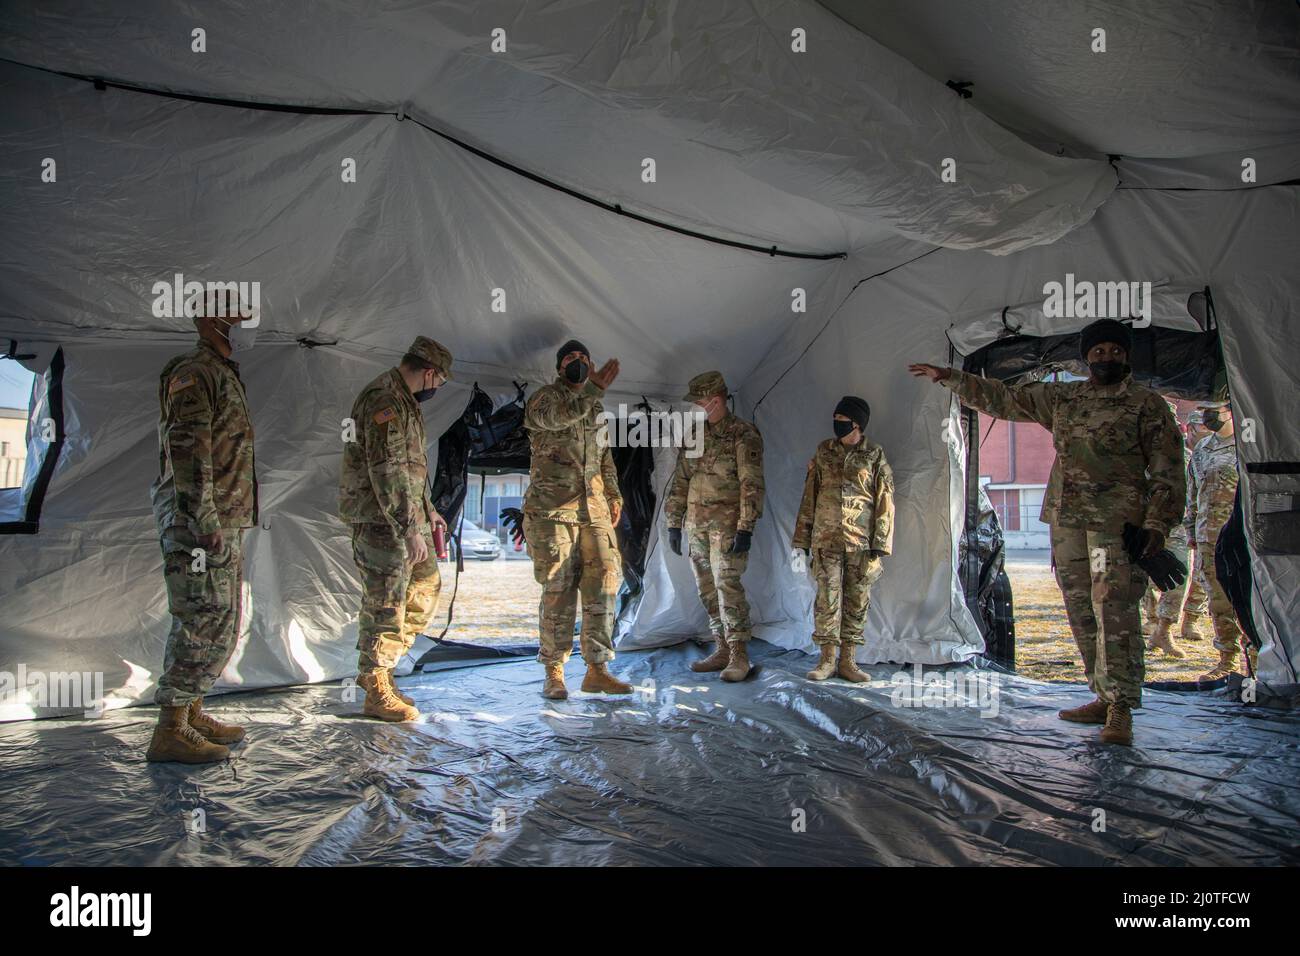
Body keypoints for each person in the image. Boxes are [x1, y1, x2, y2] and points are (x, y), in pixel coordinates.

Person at [909, 318, 1185, 746]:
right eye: (1098, 351)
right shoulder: (1066, 397)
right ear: (1086, 357)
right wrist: (952, 378)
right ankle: (1101, 694)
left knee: (1115, 610)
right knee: (1081, 610)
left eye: (1114, 350)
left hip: (1117, 525)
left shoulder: (1147, 405)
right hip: (1069, 521)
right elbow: (1006, 399)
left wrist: (1157, 523)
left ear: (1126, 355)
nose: (1106, 357)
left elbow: (1168, 470)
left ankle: (1121, 707)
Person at [147, 290, 259, 763]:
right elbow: (188, 447)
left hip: (221, 519)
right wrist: (202, 517)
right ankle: (170, 727)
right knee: (199, 620)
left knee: (219, 619)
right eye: (234, 319)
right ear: (213, 322)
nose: (240, 328)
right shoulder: (194, 372)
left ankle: (190, 710)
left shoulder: (221, 374)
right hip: (200, 523)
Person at [339, 336, 452, 721]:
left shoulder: (403, 401)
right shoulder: (385, 399)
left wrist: (429, 512)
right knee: (385, 603)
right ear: (431, 372)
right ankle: (376, 685)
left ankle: (378, 670)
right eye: (440, 381)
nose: (437, 389)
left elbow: (409, 471)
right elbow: (386, 470)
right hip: (382, 522)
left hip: (405, 518)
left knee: (425, 588)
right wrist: (408, 527)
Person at [522, 339, 631, 699]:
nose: (578, 362)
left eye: (584, 357)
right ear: (558, 368)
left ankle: (597, 669)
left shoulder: (597, 410)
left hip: (594, 511)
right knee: (558, 590)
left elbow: (605, 458)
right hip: (553, 512)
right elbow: (559, 417)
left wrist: (613, 494)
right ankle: (554, 672)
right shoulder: (544, 399)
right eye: (570, 358)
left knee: (604, 584)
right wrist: (595, 389)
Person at [664, 371, 765, 681]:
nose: (695, 406)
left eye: (699, 401)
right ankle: (721, 648)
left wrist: (746, 526)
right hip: (697, 527)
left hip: (727, 527)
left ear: (716, 400)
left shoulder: (743, 434)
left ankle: (739, 655)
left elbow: (752, 483)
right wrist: (673, 522)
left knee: (727, 588)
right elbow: (681, 480)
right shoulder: (694, 434)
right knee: (706, 589)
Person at [792, 396, 894, 684]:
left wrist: (881, 542)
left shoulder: (874, 454)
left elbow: (885, 499)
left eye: (842, 420)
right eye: (835, 419)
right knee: (826, 599)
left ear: (857, 423)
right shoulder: (824, 451)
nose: (836, 424)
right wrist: (801, 541)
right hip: (825, 539)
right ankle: (826, 660)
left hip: (861, 542)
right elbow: (809, 495)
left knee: (857, 600)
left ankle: (848, 661)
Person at [1187, 401, 1245, 681]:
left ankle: (1256, 659)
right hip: (1207, 537)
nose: (1208, 415)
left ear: (1231, 411)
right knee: (1217, 600)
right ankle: (1227, 659)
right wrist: (1190, 531)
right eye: (1204, 409)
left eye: (1215, 409)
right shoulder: (1201, 449)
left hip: (1240, 537)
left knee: (1246, 599)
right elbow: (1193, 493)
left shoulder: (1247, 445)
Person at [1176, 409, 1211, 641]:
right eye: (1202, 427)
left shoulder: (1206, 454)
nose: (1205, 431)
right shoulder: (1187, 454)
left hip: (1207, 524)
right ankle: (1157, 621)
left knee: (1200, 577)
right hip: (1187, 525)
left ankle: (1191, 620)